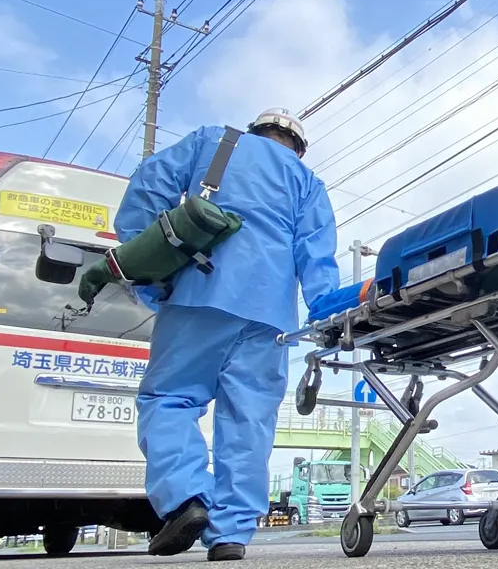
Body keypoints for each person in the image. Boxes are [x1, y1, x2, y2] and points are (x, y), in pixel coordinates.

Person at [120, 108, 339, 562]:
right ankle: (230, 533)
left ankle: (186, 500)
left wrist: (144, 261)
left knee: (170, 398)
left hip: (199, 292)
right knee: (249, 420)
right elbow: (317, 253)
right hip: (270, 314)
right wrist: (326, 314)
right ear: (297, 147)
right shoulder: (306, 181)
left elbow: (149, 183)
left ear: (257, 131)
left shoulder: (213, 141)